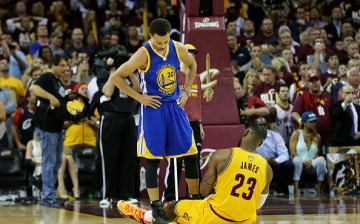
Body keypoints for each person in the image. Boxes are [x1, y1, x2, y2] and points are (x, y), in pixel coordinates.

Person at [110, 18, 200, 217]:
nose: (161, 47)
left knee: (191, 154)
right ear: (150, 37)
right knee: (153, 159)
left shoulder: (176, 47)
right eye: (158, 43)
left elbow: (192, 65)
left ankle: (195, 201)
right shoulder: (143, 53)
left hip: (174, 106)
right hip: (153, 108)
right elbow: (116, 77)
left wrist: (186, 90)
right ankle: (156, 207)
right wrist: (139, 97)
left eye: (164, 42)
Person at [117, 125, 273, 224]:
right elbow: (258, 205)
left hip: (214, 217)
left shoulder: (223, 155)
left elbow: (203, 192)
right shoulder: (267, 168)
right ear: (260, 143)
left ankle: (145, 217)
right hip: (245, 221)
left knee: (174, 206)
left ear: (245, 133)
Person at [162, 43, 204, 203]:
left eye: (193, 53)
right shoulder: (173, 76)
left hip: (193, 124)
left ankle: (193, 196)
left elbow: (199, 102)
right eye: (188, 52)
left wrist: (200, 123)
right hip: (177, 124)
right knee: (175, 162)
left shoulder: (197, 78)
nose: (191, 55)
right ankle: (168, 198)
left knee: (193, 161)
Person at [29, 55, 68, 207]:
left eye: (66, 66)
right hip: (46, 127)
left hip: (56, 127)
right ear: (53, 65)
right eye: (62, 65)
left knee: (57, 162)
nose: (65, 69)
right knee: (49, 162)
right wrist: (51, 97)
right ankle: (47, 195)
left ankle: (50, 193)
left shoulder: (57, 81)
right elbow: (33, 88)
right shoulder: (47, 77)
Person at [289, 111, 327, 197]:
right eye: (311, 121)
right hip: (299, 162)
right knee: (297, 160)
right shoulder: (297, 133)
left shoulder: (318, 136)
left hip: (311, 163)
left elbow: (317, 153)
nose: (314, 123)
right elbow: (292, 151)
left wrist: (311, 161)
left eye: (315, 121)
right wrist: (303, 162)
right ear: (304, 122)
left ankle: (319, 189)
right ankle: (296, 189)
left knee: (322, 160)